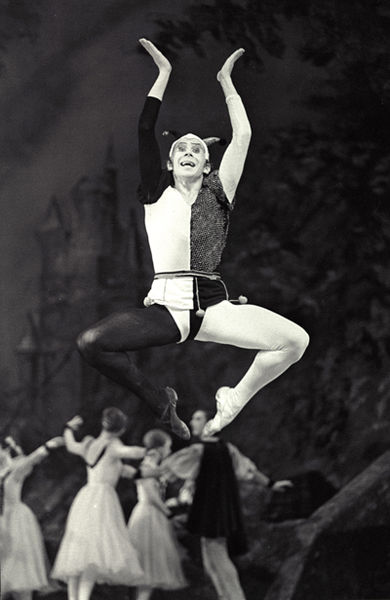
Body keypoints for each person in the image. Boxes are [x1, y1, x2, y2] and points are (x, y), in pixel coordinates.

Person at [77, 38, 309, 439]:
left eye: (197, 149)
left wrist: (227, 84)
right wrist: (163, 75)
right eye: (181, 147)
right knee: (91, 342)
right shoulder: (155, 191)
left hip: (214, 307)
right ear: (170, 161)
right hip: (168, 308)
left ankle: (234, 399)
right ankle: (160, 403)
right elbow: (145, 128)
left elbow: (244, 136)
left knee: (295, 341)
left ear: (206, 164)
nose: (188, 149)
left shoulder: (219, 192)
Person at [158, 409, 292, 600]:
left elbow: (170, 467)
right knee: (211, 558)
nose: (193, 421)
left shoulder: (202, 450)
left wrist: (149, 468)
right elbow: (249, 471)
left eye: (198, 418)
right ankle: (227, 596)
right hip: (218, 508)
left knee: (217, 555)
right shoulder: (226, 449)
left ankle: (235, 597)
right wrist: (271, 484)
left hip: (213, 509)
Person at [51, 408, 145, 600]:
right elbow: (131, 452)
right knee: (94, 552)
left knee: (80, 552)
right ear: (120, 429)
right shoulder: (112, 446)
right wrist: (152, 449)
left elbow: (70, 445)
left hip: (86, 496)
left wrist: (68, 427)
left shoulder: (90, 444)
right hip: (102, 499)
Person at [0, 434, 64, 600]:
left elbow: (32, 459)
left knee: (21, 573)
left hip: (15, 520)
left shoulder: (16, 468)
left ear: (5, 450)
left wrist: (48, 446)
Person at [128, 429, 187, 600]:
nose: (168, 451)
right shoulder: (147, 467)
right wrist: (168, 514)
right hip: (147, 517)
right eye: (167, 447)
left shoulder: (154, 468)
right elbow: (151, 496)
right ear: (159, 448)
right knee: (148, 569)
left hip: (153, 515)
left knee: (150, 571)